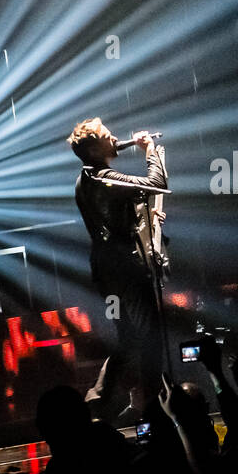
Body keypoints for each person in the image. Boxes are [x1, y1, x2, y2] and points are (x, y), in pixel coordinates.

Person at [68, 118, 168, 420]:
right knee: (151, 335)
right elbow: (157, 184)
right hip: (124, 268)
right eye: (108, 137)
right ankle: (153, 406)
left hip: (105, 268)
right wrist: (150, 150)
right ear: (95, 148)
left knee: (128, 339)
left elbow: (116, 214)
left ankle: (95, 399)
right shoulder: (106, 179)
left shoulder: (86, 179)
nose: (115, 139)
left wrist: (147, 216)